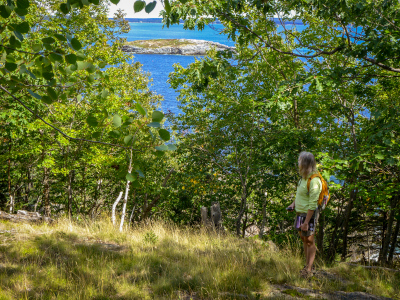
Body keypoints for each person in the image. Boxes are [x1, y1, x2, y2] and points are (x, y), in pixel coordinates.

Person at [287, 151, 322, 278]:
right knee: (304, 238)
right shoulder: (304, 178)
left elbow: (313, 204)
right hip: (300, 212)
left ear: (305, 163)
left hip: (308, 215)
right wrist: (293, 204)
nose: (298, 164)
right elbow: (300, 195)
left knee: (309, 240)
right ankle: (306, 265)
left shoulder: (314, 180)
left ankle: (309, 269)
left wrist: (307, 222)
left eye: (300, 162)